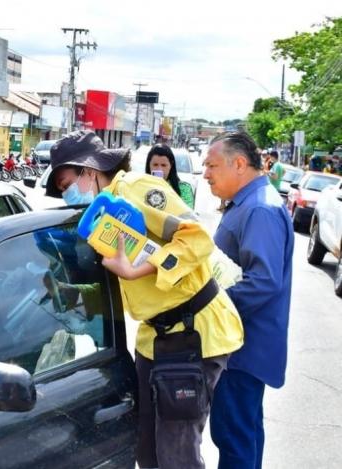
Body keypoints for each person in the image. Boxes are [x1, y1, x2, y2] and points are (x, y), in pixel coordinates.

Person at [45, 130, 243, 469]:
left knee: (176, 455)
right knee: (148, 453)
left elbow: (196, 237)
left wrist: (141, 268)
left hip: (195, 334)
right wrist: (74, 295)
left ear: (88, 171)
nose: (67, 195)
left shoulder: (134, 190)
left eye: (66, 185)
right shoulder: (101, 220)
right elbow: (129, 291)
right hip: (156, 341)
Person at [203, 132, 293, 469]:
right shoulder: (250, 203)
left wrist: (206, 305)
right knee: (244, 434)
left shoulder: (259, 210)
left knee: (234, 437)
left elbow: (263, 282)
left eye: (212, 165)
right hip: (241, 345)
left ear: (239, 164)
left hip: (241, 348)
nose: (206, 174)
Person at [145, 143, 195, 208]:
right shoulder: (141, 185)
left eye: (163, 165)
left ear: (171, 166)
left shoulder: (184, 188)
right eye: (155, 165)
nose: (159, 169)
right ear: (149, 165)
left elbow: (187, 215)